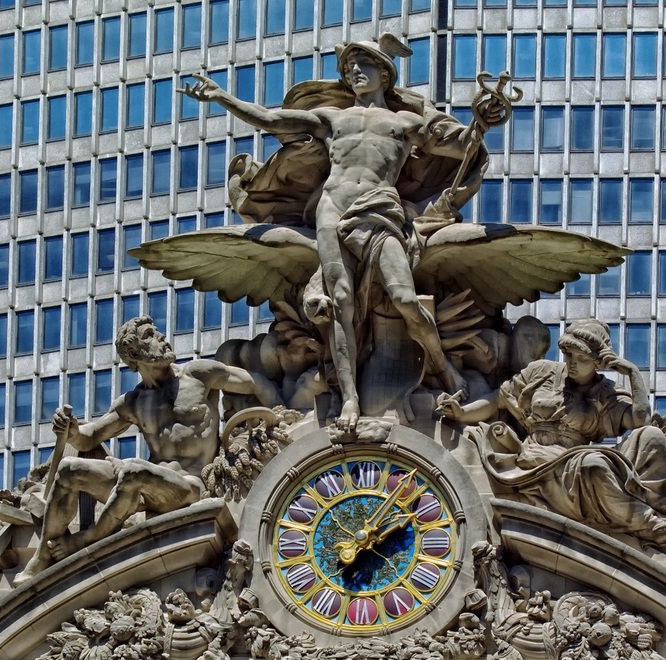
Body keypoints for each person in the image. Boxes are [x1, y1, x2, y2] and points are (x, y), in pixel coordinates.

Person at [181, 35, 479, 432]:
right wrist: (221, 97)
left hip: (380, 210)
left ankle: (444, 370)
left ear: (384, 73)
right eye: (350, 67)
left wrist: (484, 118)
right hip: (333, 210)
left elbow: (463, 146)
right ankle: (351, 398)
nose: (355, 72)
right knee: (340, 302)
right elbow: (270, 120)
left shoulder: (406, 123)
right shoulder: (332, 118)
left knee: (405, 298)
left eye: (364, 65)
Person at [15, 316, 282, 584]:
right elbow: (89, 437)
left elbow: (254, 383)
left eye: (157, 332)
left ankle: (88, 539)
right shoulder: (134, 402)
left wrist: (283, 416)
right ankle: (42, 557)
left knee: (133, 471)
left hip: (189, 484)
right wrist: (71, 430)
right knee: (69, 470)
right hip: (142, 481)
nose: (162, 338)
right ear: (134, 354)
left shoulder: (198, 374)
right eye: (151, 335)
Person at [437, 319, 666, 558]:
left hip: (572, 461)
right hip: (533, 458)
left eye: (581, 359)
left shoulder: (604, 392)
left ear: (598, 362)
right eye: (569, 355)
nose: (572, 363)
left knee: (647, 439)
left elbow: (640, 419)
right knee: (594, 465)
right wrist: (461, 413)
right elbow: (497, 400)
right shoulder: (542, 372)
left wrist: (632, 373)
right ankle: (654, 527)